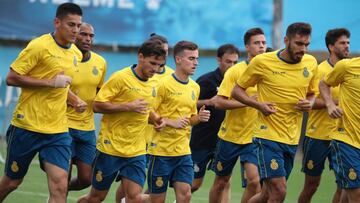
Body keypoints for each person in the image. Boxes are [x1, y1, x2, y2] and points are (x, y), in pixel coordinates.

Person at [0, 3, 82, 203]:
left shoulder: (76, 54)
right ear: (57, 22)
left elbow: (61, 86)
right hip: (27, 126)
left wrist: (73, 99)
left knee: (61, 184)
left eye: (78, 26)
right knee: (12, 182)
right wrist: (50, 83)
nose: (75, 30)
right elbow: (12, 78)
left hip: (57, 130)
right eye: (71, 24)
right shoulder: (39, 46)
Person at [231, 22, 318, 202]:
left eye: (307, 44)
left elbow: (312, 93)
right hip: (267, 135)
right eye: (299, 44)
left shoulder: (310, 63)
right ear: (286, 40)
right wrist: (258, 105)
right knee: (279, 191)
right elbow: (237, 91)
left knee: (267, 194)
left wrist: (309, 103)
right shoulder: (262, 61)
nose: (303, 49)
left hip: (292, 138)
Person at [77, 39, 166, 203]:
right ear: (141, 57)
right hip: (110, 148)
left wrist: (156, 120)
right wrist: (128, 106)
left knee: (133, 198)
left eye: (159, 65)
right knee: (96, 197)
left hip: (137, 151)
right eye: (152, 63)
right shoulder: (120, 77)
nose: (155, 69)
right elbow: (97, 105)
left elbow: (145, 109)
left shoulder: (155, 82)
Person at [147, 41, 211, 203]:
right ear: (178, 59)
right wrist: (170, 122)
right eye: (191, 58)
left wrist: (199, 118)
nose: (195, 63)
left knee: (186, 194)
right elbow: (147, 114)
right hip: (160, 152)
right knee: (157, 200)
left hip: (183, 152)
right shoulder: (162, 85)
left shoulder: (194, 87)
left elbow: (189, 119)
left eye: (196, 58)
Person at [209, 27, 266, 203]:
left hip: (254, 137)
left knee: (255, 182)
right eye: (257, 43)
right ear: (247, 47)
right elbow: (219, 102)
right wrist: (248, 101)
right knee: (221, 182)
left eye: (264, 43)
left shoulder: (270, 71)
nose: (262, 46)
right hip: (230, 136)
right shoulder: (235, 71)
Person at [115, 33, 173, 203]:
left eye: (166, 51)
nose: (164, 56)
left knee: (143, 183)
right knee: (128, 182)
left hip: (158, 137)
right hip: (136, 137)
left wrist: (162, 120)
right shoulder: (134, 74)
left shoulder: (170, 75)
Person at [298, 28, 350, 203]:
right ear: (331, 46)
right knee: (312, 185)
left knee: (344, 185)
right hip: (318, 135)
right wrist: (334, 103)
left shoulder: (350, 70)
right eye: (342, 43)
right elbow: (308, 101)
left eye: (348, 43)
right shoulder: (319, 70)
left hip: (343, 137)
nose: (347, 46)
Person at [190, 44, 239, 203]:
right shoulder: (206, 80)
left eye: (235, 62)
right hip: (203, 140)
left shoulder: (238, 83)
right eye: (228, 62)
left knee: (225, 181)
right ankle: (150, 196)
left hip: (224, 140)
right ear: (219, 60)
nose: (232, 66)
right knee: (194, 184)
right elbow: (189, 103)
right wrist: (209, 102)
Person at [67, 23, 107, 191]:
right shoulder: (65, 58)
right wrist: (74, 100)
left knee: (86, 179)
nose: (87, 39)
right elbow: (55, 88)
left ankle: (60, 191)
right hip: (62, 125)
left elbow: (100, 95)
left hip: (86, 128)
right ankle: (59, 193)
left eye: (91, 36)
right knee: (63, 175)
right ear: (75, 34)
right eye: (83, 34)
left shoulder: (100, 62)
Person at [319, 52, 360, 202]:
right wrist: (329, 104)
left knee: (347, 192)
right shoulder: (347, 66)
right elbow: (324, 83)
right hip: (346, 139)